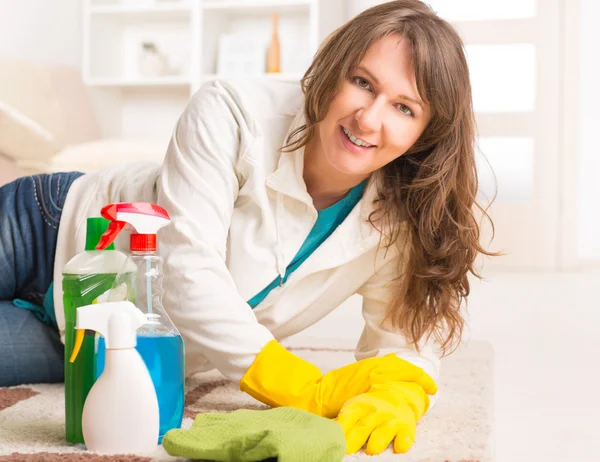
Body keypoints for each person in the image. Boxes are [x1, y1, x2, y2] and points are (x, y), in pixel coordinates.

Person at [0, 0, 495, 455]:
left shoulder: (401, 215)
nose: (368, 119)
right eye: (363, 82)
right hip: (47, 230)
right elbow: (185, 267)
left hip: (94, 339)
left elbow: (402, 340)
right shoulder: (233, 110)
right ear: (333, 70)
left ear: (427, 134)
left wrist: (400, 391)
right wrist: (302, 386)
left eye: (404, 108)